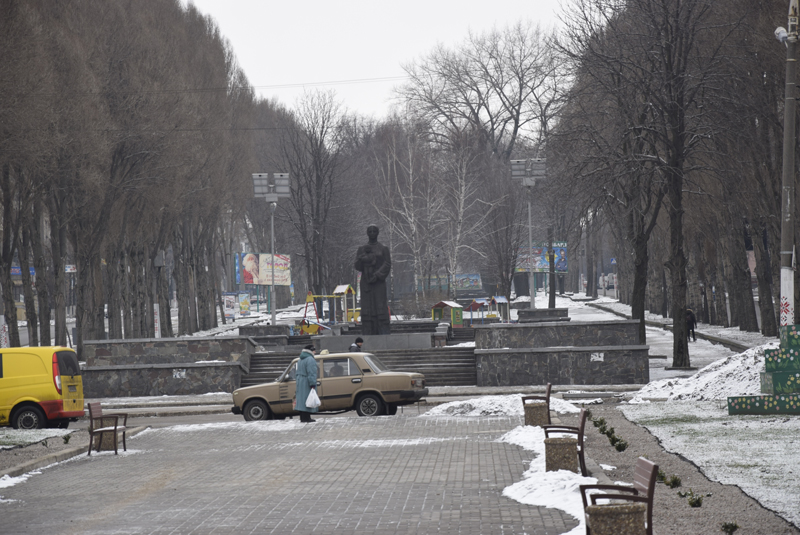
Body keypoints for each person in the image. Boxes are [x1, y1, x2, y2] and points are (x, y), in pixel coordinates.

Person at [354, 225, 391, 335]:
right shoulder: (361, 249)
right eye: (370, 231)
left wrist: (378, 275)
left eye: (374, 231)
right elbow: (357, 266)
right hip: (366, 282)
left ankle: (383, 330)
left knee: (380, 305)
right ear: (367, 233)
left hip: (379, 282)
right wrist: (361, 260)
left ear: (378, 233)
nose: (372, 233)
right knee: (367, 307)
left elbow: (387, 263)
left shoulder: (383, 248)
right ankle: (368, 330)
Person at [295, 344, 319, 423]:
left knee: (301, 400)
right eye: (314, 350)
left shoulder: (300, 359)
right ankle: (307, 418)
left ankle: (302, 417)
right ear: (311, 351)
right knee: (307, 399)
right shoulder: (310, 359)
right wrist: (312, 383)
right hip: (306, 381)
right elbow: (311, 373)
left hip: (300, 381)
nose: (315, 352)